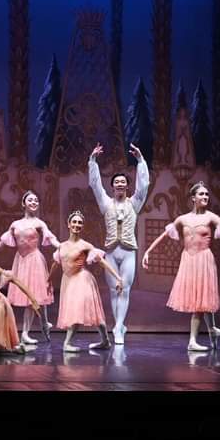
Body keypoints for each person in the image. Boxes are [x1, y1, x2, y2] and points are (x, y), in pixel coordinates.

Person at [142, 182, 220, 351]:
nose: (205, 197)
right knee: (201, 299)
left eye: (207, 194)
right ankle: (212, 330)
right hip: (188, 260)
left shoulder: (211, 217)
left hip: (204, 260)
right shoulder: (183, 219)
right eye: (202, 194)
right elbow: (165, 234)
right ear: (193, 198)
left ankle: (192, 341)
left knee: (201, 299)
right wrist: (148, 251)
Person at [88, 142, 149, 344]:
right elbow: (95, 186)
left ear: (127, 186)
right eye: (117, 182)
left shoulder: (135, 203)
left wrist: (140, 161)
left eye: (124, 182)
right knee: (114, 289)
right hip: (111, 252)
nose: (121, 184)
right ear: (112, 186)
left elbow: (144, 185)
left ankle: (119, 328)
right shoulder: (105, 203)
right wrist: (92, 161)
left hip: (129, 251)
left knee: (125, 288)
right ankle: (119, 324)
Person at [0, 190, 58, 344]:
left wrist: (62, 247)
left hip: (35, 261)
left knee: (34, 295)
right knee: (31, 295)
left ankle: (25, 332)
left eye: (36, 200)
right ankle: (44, 323)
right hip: (21, 262)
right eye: (30, 200)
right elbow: (2, 243)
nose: (34, 202)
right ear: (24, 203)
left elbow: (51, 238)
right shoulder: (15, 224)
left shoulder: (39, 223)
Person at [49, 210, 123, 353]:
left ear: (82, 226)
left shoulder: (85, 245)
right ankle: (105, 341)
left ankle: (67, 343)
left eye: (80, 223)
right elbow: (56, 263)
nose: (77, 225)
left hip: (82, 279)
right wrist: (48, 278)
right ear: (69, 224)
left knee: (82, 309)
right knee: (85, 312)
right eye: (74, 222)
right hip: (68, 281)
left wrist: (118, 277)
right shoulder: (62, 246)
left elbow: (102, 262)